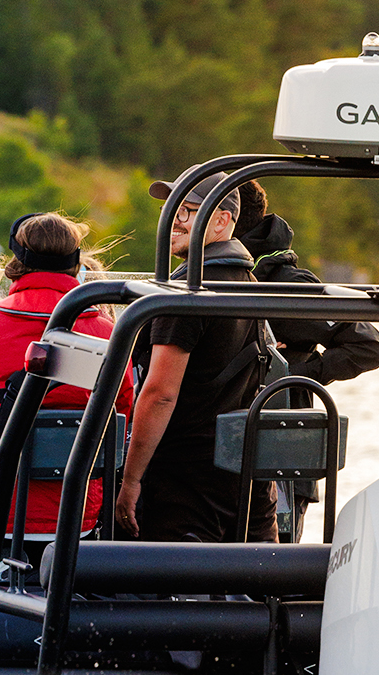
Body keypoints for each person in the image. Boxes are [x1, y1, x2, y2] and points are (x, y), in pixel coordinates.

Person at [0, 213, 134, 580]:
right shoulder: (109, 335)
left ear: (15, 262)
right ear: (75, 263)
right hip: (76, 519)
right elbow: (122, 409)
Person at [115, 169, 276, 544]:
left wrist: (131, 479)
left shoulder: (185, 294)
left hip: (187, 479)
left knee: (175, 597)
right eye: (173, 209)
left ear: (222, 221)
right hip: (249, 473)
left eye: (189, 210)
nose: (175, 219)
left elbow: (160, 393)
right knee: (256, 591)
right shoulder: (250, 284)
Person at [233, 180, 379, 540]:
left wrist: (293, 372)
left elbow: (369, 347)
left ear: (228, 220)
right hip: (227, 449)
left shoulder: (289, 284)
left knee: (273, 569)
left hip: (283, 456)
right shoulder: (212, 275)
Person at [233, 180, 379, 385]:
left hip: (263, 412)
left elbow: (368, 348)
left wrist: (286, 374)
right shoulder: (198, 275)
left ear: (224, 219)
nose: (179, 221)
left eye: (190, 212)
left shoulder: (289, 285)